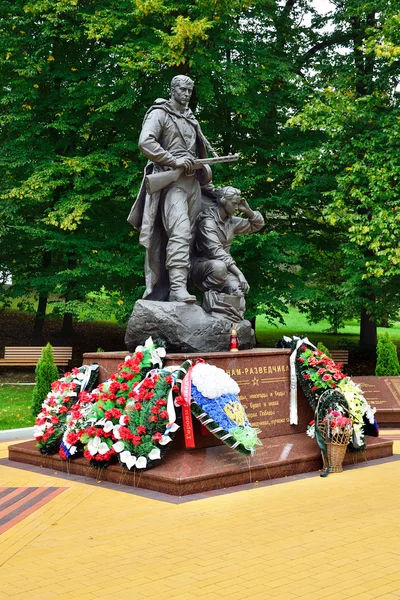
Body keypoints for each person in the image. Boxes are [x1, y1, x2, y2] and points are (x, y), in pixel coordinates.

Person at [127, 75, 216, 303]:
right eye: (183, 90)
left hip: (193, 185)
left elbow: (198, 152)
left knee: (194, 237)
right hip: (171, 184)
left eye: (190, 91)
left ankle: (191, 286)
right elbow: (145, 142)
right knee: (180, 232)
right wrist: (174, 160)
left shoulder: (190, 119)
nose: (187, 94)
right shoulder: (160, 113)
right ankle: (177, 289)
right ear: (172, 89)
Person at [191, 186, 264, 319]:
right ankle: (208, 304)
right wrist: (239, 273)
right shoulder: (208, 222)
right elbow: (216, 251)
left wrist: (248, 211)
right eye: (234, 203)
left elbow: (257, 225)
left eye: (238, 203)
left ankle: (230, 326)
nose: (237, 207)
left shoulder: (231, 221)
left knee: (238, 292)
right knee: (219, 267)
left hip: (225, 268)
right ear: (223, 201)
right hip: (203, 268)